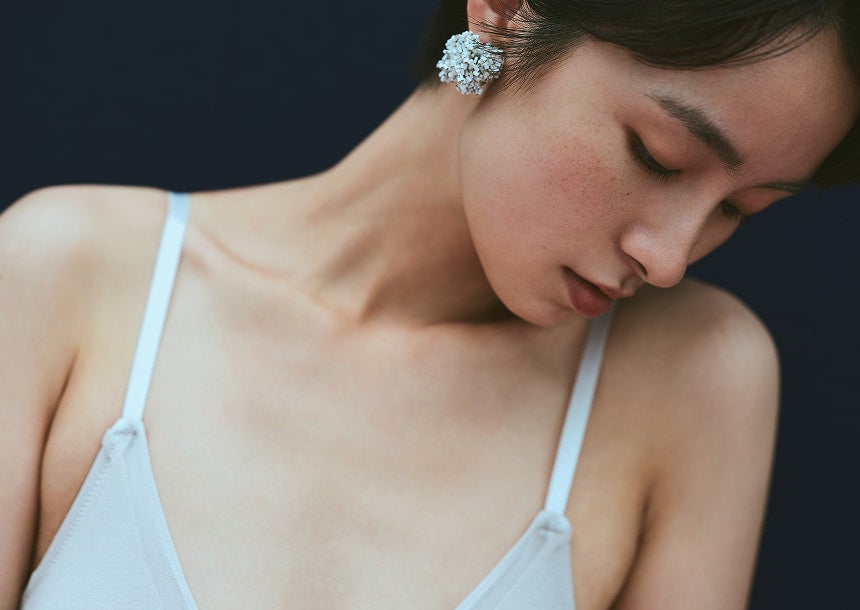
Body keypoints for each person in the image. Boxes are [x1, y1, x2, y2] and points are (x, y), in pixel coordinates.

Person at [1, 0, 857, 608]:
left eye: (740, 210)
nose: (668, 259)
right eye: (658, 155)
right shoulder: (67, 272)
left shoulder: (693, 379)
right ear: (505, 13)